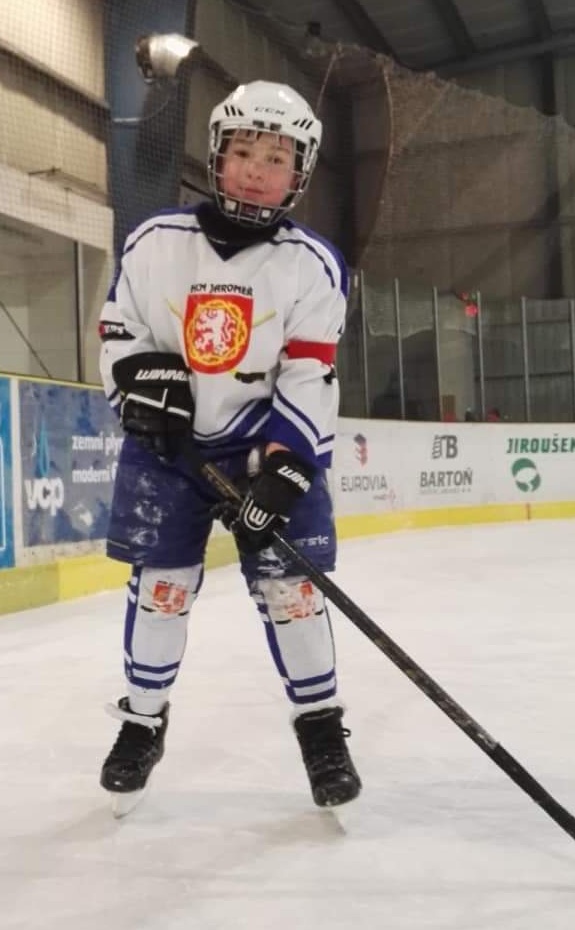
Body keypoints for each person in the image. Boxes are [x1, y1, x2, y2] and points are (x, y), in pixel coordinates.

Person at [98, 80, 361, 813]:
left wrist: (284, 471)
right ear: (216, 155)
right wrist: (140, 393)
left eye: (276, 159)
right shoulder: (155, 242)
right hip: (171, 452)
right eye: (244, 151)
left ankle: (321, 730)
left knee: (293, 592)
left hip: (260, 447)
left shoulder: (313, 264)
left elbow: (309, 371)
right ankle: (142, 722)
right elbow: (121, 332)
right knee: (162, 588)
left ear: (298, 174)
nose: (255, 171)